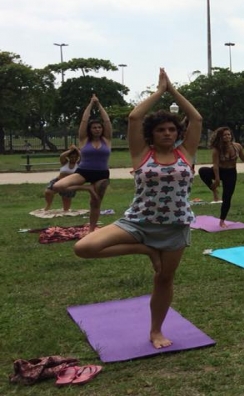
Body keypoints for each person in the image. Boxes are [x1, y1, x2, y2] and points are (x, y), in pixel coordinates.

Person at [73, 68, 202, 349]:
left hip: (174, 225)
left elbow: (196, 118)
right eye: (161, 130)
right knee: (84, 248)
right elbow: (134, 117)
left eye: (171, 129)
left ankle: (156, 330)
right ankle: (146, 249)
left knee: (164, 279)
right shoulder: (142, 153)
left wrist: (174, 91)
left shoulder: (186, 153)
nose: (168, 133)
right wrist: (159, 92)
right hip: (137, 221)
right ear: (151, 134)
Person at [51, 94, 113, 231]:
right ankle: (87, 188)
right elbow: (84, 121)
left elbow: (107, 121)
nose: (97, 129)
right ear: (90, 130)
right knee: (57, 186)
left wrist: (99, 105)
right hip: (83, 172)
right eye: (94, 128)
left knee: (95, 203)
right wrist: (91, 104)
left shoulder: (107, 140)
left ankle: (91, 230)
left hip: (102, 174)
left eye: (99, 127)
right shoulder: (84, 140)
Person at [198, 127, 244, 228]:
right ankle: (213, 189)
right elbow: (215, 165)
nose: (227, 136)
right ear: (220, 137)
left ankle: (222, 221)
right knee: (202, 171)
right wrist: (217, 179)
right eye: (224, 135)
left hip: (231, 173)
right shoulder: (217, 149)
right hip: (219, 170)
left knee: (227, 197)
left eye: (229, 134)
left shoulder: (237, 146)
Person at [43, 146, 81, 211]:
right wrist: (70, 150)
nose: (74, 158)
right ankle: (48, 205)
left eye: (75, 157)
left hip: (70, 183)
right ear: (69, 157)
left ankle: (65, 210)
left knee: (66, 201)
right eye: (72, 157)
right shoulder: (65, 162)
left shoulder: (79, 164)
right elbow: (62, 156)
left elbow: (83, 157)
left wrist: (77, 149)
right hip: (59, 180)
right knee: (48, 192)